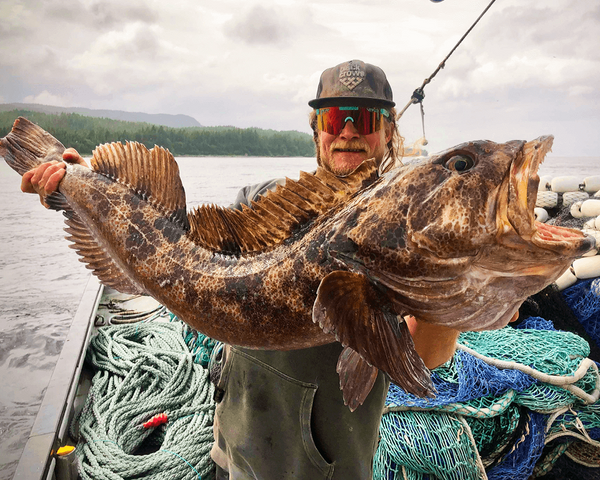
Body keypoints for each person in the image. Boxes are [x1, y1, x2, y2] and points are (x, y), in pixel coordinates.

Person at [21, 60, 461, 479]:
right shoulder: (257, 197)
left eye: (364, 119)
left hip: (324, 470)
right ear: (316, 132)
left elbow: (426, 356)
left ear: (387, 132)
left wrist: (449, 291)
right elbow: (174, 244)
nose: (347, 131)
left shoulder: (402, 229)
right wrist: (80, 188)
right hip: (233, 450)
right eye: (334, 119)